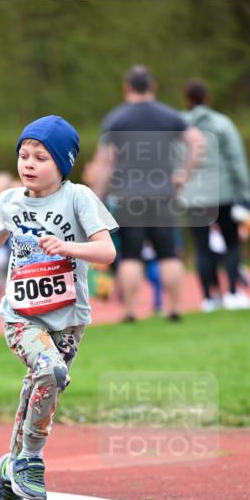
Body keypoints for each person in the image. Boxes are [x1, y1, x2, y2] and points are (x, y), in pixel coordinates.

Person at [0, 115, 117, 500]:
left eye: (40, 157)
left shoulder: (78, 198)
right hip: (21, 316)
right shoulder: (11, 200)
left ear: (62, 164)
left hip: (68, 320)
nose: (28, 163)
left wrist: (67, 246)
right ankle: (29, 459)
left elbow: (107, 252)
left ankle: (11, 473)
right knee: (49, 369)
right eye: (23, 155)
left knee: (40, 388)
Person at [91, 65, 202, 323]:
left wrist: (97, 196)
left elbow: (105, 162)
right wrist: (183, 175)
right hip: (163, 193)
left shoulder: (116, 119)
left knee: (131, 254)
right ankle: (174, 309)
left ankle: (130, 312)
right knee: (168, 253)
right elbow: (197, 141)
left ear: (126, 88)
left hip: (129, 196)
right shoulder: (169, 116)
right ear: (153, 86)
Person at [182, 80, 250, 310]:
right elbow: (237, 160)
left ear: (186, 99)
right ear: (208, 97)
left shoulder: (179, 126)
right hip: (223, 193)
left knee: (202, 247)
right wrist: (246, 194)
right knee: (232, 242)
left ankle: (208, 298)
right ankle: (233, 293)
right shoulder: (223, 124)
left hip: (193, 195)